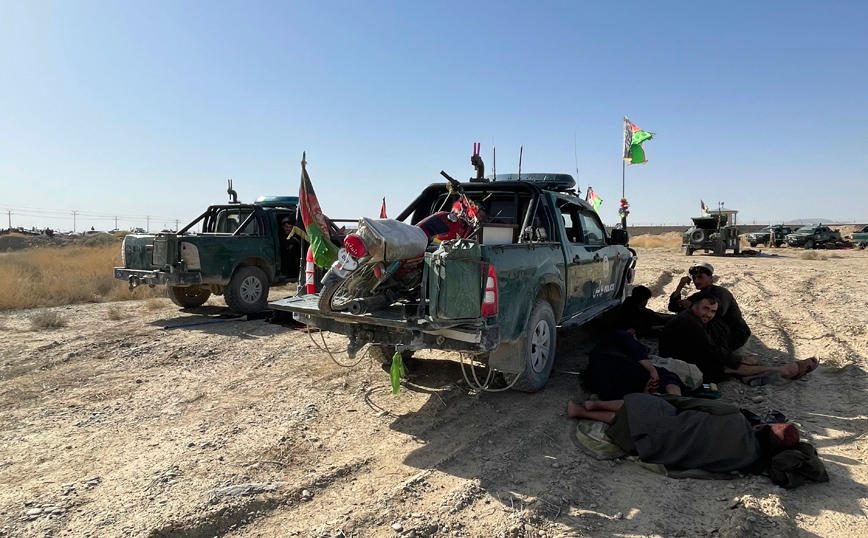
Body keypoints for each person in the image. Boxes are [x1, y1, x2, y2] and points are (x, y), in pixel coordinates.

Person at [566, 393, 801, 474]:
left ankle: (590, 407)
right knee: (640, 421)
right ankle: (584, 411)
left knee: (645, 404)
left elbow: (688, 402)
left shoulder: (734, 415)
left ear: (760, 427)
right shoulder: (748, 461)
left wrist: (664, 398)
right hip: (653, 451)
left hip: (653, 432)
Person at [659, 293, 819, 384]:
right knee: (730, 365)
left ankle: (753, 375)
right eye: (705, 309)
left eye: (712, 311)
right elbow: (712, 349)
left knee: (732, 362)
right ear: (694, 306)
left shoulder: (693, 318)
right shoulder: (689, 321)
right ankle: (783, 371)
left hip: (686, 358)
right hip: (678, 366)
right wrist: (741, 359)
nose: (708, 314)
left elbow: (710, 346)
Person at [668, 262, 750, 350]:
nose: (696, 281)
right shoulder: (698, 296)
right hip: (721, 332)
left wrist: (692, 306)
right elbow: (673, 308)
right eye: (694, 278)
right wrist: (679, 287)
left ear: (710, 278)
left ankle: (718, 351)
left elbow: (720, 312)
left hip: (734, 335)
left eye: (700, 277)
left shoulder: (721, 292)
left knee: (708, 317)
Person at [586, 328, 684, 400]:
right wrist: (652, 371)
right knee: (665, 375)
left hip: (601, 382)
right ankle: (676, 399)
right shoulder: (620, 334)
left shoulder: (606, 345)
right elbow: (636, 352)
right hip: (614, 369)